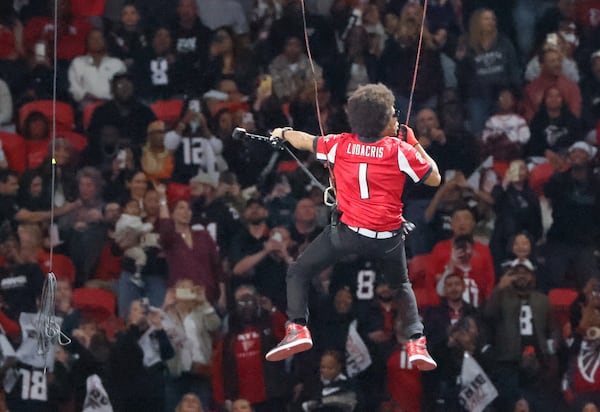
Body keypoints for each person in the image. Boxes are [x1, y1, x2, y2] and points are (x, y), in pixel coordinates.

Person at [264, 83, 441, 371]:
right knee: (400, 285)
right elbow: (434, 178)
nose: (398, 118)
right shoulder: (398, 150)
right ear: (384, 120)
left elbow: (304, 139)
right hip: (387, 238)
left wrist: (281, 133)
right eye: (394, 114)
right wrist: (413, 142)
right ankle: (416, 341)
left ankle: (297, 327)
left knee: (298, 270)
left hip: (347, 236)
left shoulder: (339, 143)